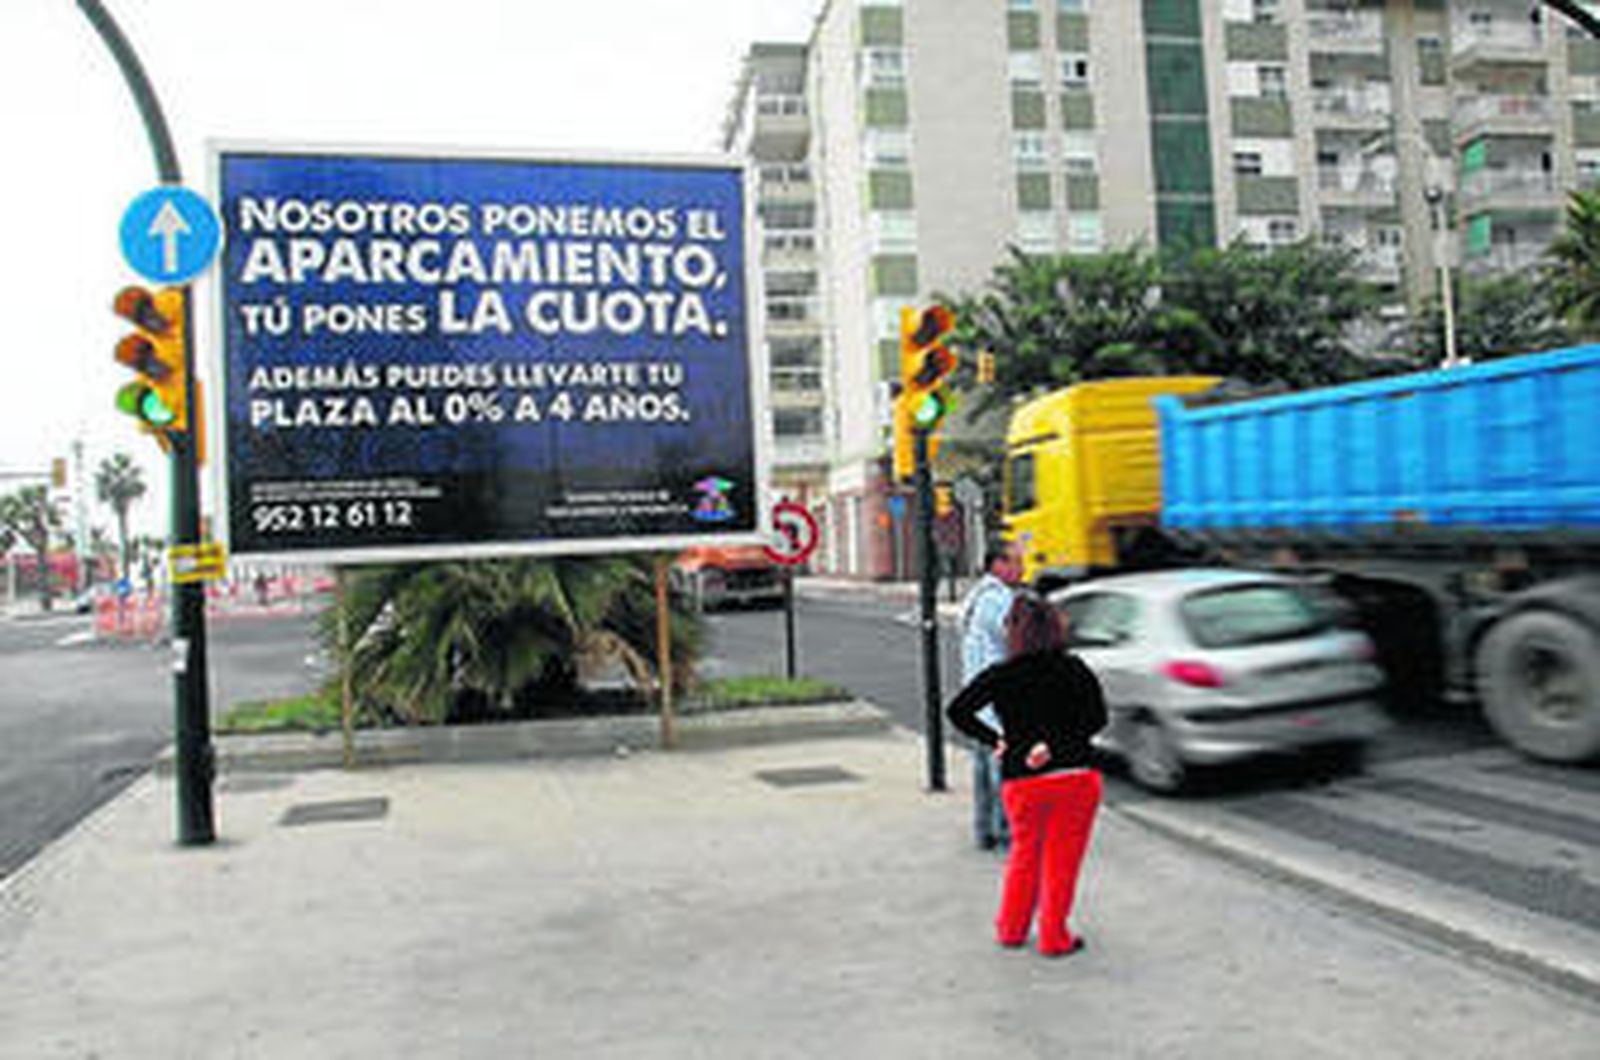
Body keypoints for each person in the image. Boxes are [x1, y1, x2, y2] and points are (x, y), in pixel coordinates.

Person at [946, 592, 1107, 957]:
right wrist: (1054, 745)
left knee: (1024, 855)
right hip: (1074, 777)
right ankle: (1054, 936)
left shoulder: (1002, 674)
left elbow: (958, 711)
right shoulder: (1074, 669)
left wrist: (996, 740)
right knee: (1061, 861)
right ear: (1055, 629)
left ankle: (1011, 929)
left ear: (1013, 633)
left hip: (1022, 782)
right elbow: (1097, 718)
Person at [959, 541, 1022, 850]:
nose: (1021, 568)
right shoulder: (998, 599)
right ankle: (1007, 834)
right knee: (1003, 768)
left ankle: (984, 831)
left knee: (983, 767)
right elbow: (1014, 639)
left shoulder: (975, 597)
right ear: (997, 564)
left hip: (976, 697)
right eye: (1015, 561)